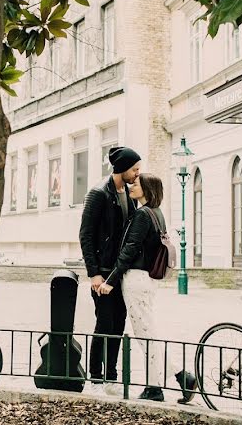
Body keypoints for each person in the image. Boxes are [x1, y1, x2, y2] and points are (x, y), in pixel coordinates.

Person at [98, 173, 197, 403]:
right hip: (147, 281)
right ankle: (179, 379)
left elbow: (129, 251)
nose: (132, 186)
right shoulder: (157, 213)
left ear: (147, 189)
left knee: (146, 336)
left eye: (137, 184)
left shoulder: (143, 215)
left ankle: (158, 387)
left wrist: (109, 281)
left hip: (136, 280)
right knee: (148, 333)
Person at [78, 146, 142, 395]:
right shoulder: (98, 193)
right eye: (135, 169)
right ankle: (96, 374)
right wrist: (93, 273)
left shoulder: (127, 192)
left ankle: (111, 374)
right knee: (104, 322)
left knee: (119, 323)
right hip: (102, 272)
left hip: (119, 273)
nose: (137, 174)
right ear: (123, 168)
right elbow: (86, 235)